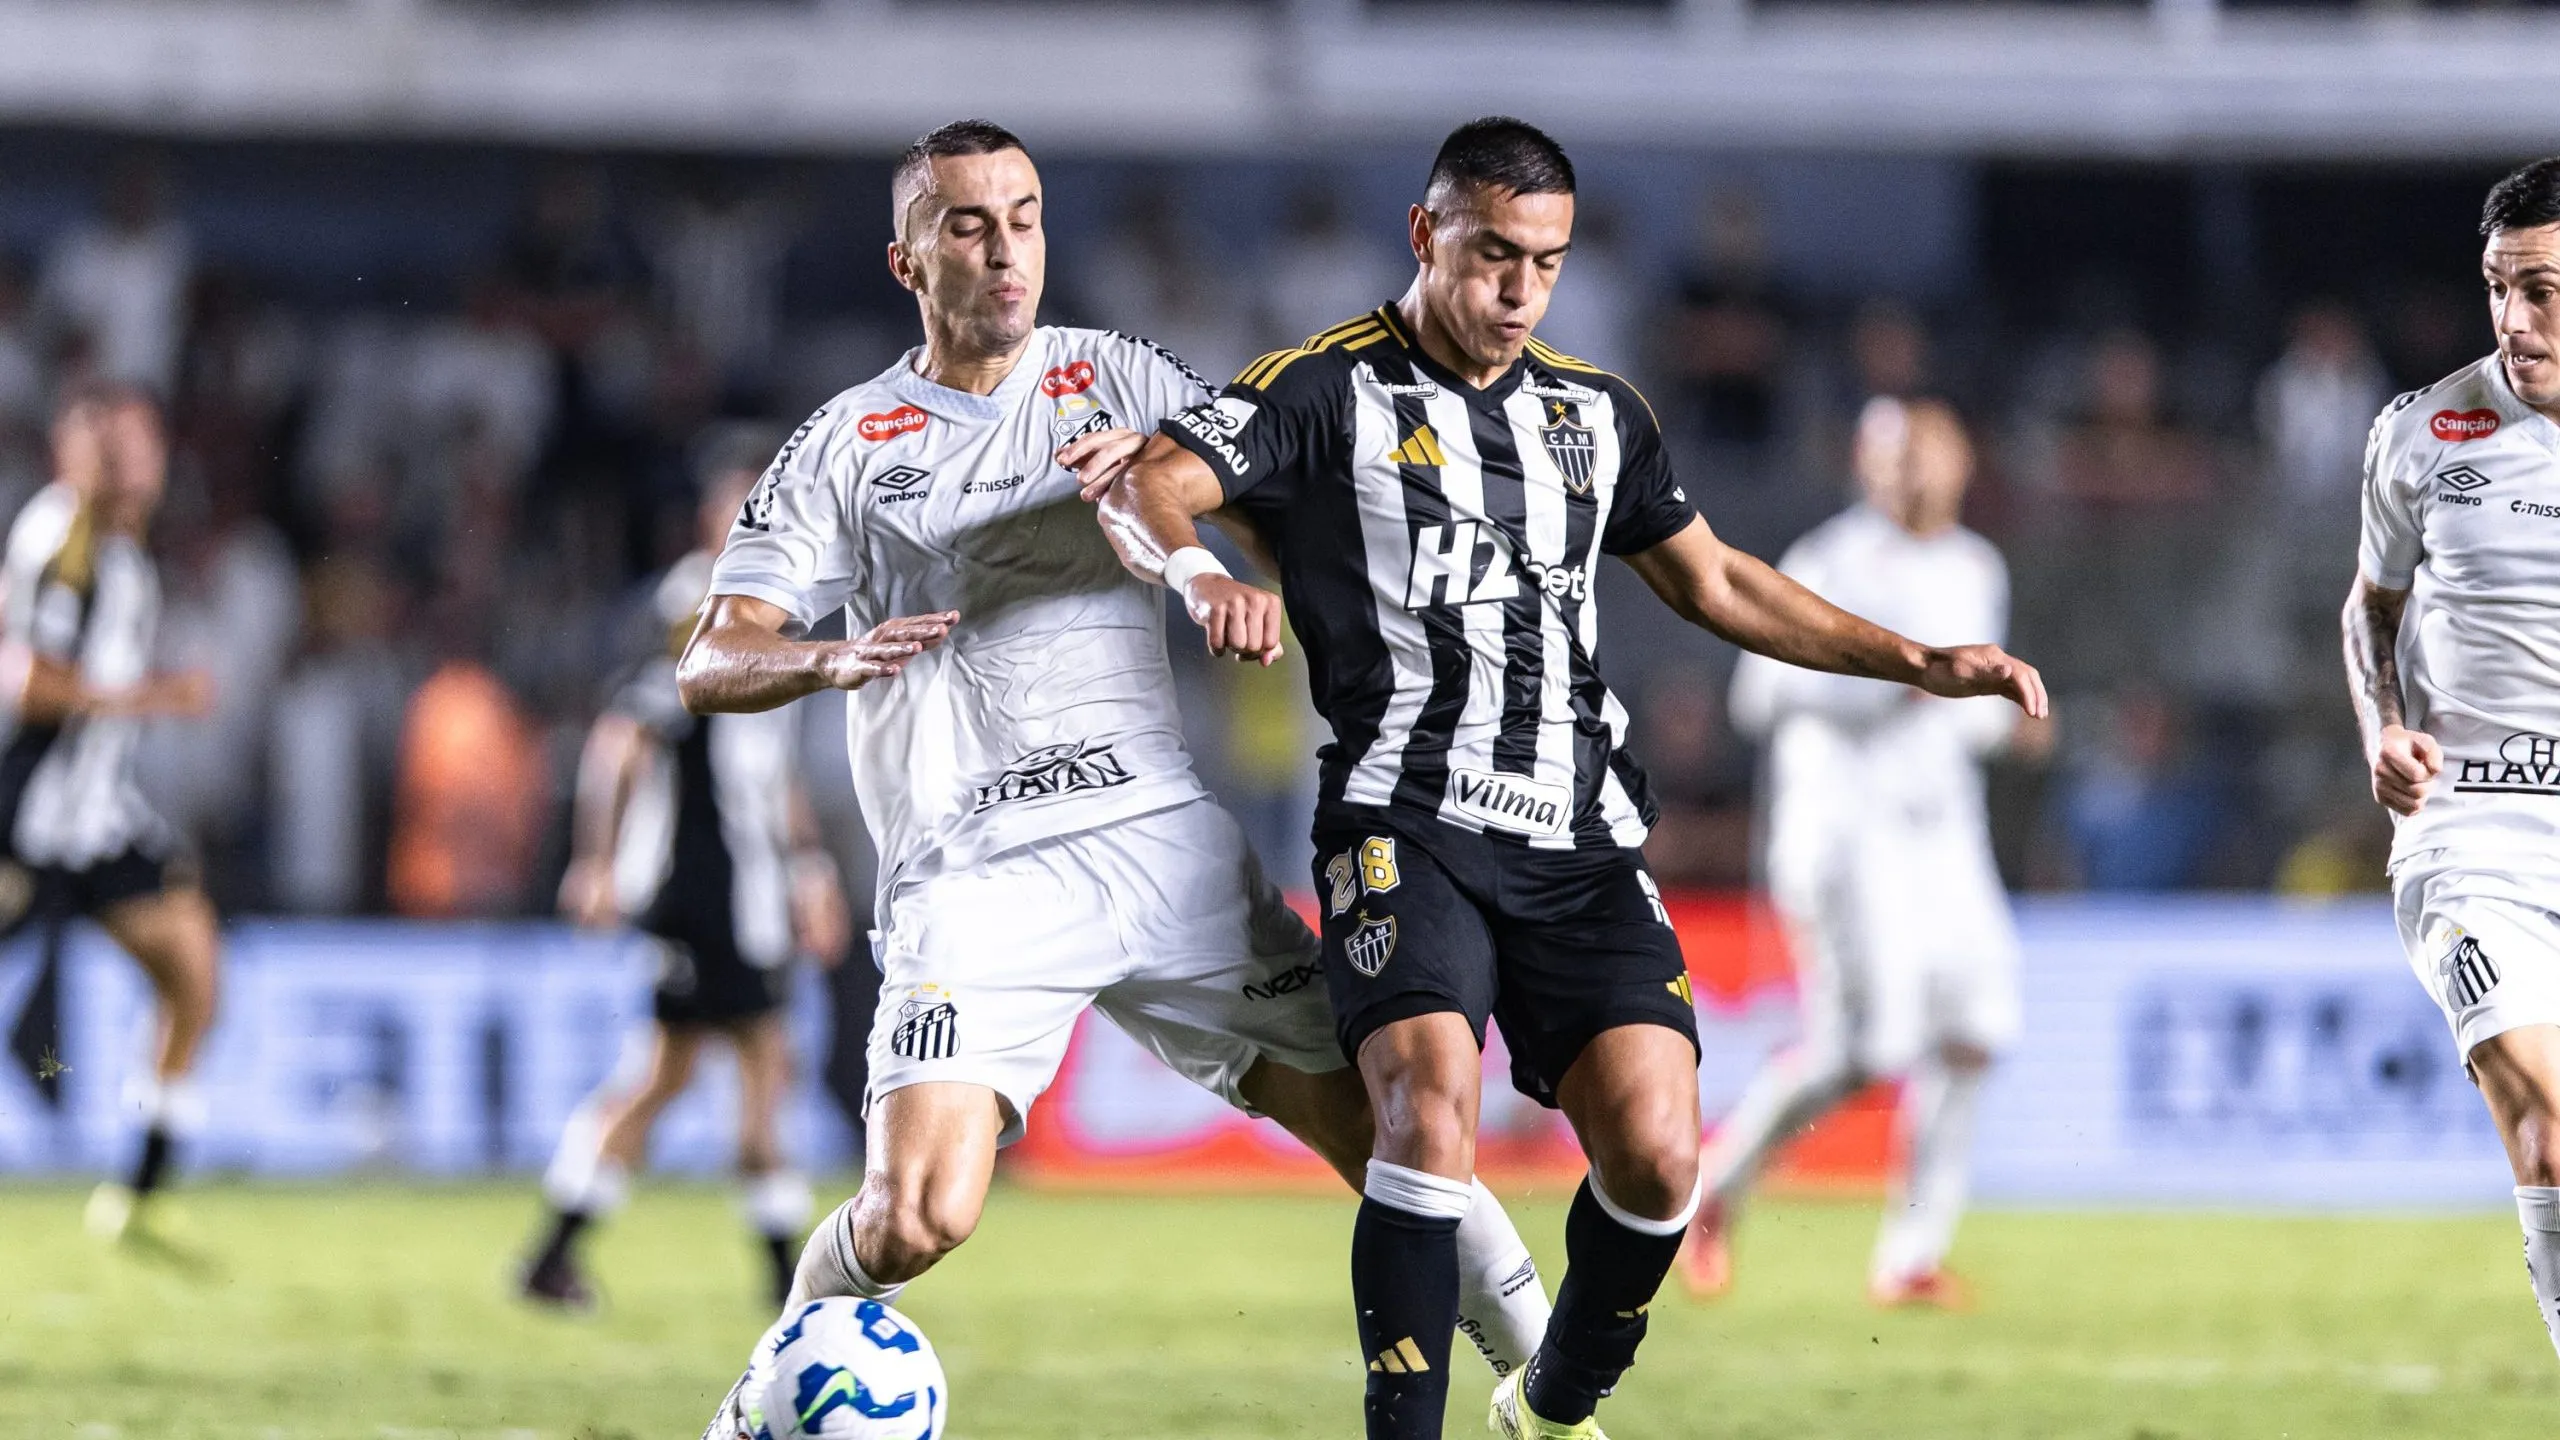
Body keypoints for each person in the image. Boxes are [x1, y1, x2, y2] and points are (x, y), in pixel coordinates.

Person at [1101, 117, 2046, 1440]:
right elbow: (1152, 479)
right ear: (1426, 235)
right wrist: (1202, 573)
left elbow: (1714, 581)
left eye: (1543, 264)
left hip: (1581, 842)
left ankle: (1547, 1408)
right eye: (1492, 256)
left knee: (1660, 1159)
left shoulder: (1595, 416)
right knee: (1427, 1114)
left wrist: (1913, 660)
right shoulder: (1324, 391)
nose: (1516, 293)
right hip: (1403, 820)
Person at [685, 121, 1555, 1434]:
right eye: (968, 223)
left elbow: (1268, 494)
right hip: (977, 876)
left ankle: (1558, 1400)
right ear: (907, 257)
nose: (1005, 248)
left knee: (1395, 1135)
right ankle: (764, 1403)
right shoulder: (848, 441)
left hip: (1160, 845)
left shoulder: (1121, 376)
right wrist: (828, 653)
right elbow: (712, 657)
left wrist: (1191, 509)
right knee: (921, 1218)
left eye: (1024, 217)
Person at [1680, 397, 2035, 1308]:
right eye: (1887, 454)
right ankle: (1711, 1192)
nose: (1906, 472)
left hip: (1943, 833)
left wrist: (2007, 724)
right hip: (1846, 832)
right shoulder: (1830, 560)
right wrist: (1890, 681)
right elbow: (1756, 698)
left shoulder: (1973, 566)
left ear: (1958, 461)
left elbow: (1969, 717)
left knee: (1976, 1032)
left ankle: (1910, 1255)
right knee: (1866, 1050)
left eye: (1922, 453)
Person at [518, 431, 854, 1312]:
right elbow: (621, 737)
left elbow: (767, 771)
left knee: (677, 1075)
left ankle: (556, 1253)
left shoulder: (772, 608)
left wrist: (810, 871)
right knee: (750, 1067)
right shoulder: (686, 605)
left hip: (743, 891)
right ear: (712, 518)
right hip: (698, 886)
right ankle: (787, 1282)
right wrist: (595, 861)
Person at [2345, 155, 2560, 1364]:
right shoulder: (2426, 430)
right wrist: (2382, 720)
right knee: (2546, 1130)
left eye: (2541, 290)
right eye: (2496, 290)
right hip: (2471, 833)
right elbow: (2368, 607)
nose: (2513, 321)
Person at [0, 385, 221, 1243]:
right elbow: (34, 685)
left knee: (193, 969)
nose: (136, 460)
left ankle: (140, 1195)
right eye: (116, 443)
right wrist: (153, 697)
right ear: (77, 452)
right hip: (25, 820)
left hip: (98, 824)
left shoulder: (119, 557)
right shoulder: (69, 543)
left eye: (144, 442)